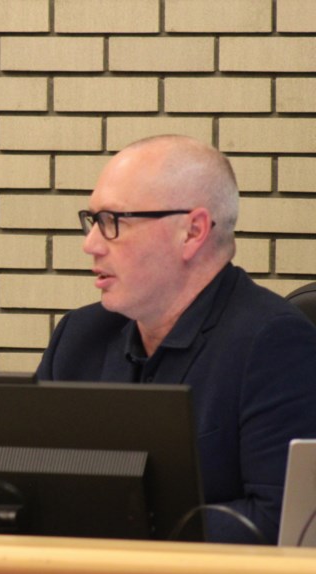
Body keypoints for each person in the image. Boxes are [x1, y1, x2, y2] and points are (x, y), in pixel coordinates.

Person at [36, 135, 316, 544]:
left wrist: (125, 524)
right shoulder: (79, 337)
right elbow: (31, 483)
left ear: (193, 231)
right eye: (92, 220)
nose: (91, 244)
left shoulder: (275, 344)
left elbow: (281, 524)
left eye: (114, 221)